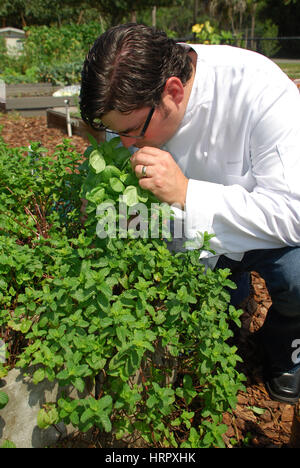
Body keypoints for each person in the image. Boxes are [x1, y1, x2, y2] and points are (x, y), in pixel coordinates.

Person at [80, 23, 300, 404]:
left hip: (266, 229)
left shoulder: (259, 88)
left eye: (133, 131)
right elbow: (130, 203)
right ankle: (227, 311)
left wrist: (187, 192)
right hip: (182, 235)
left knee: (297, 276)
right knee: (214, 338)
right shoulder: (137, 92)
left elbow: (292, 213)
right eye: (116, 132)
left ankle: (285, 344)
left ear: (174, 92)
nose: (127, 145)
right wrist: (111, 213)